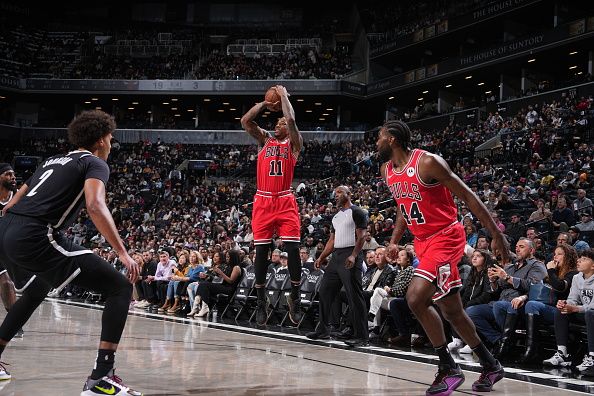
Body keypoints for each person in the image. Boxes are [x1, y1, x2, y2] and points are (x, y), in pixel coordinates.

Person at [0, 110, 141, 395]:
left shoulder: (50, 161)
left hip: (6, 231)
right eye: (111, 137)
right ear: (101, 140)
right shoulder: (95, 163)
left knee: (38, 288)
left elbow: (11, 204)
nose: (112, 143)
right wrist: (123, 253)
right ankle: (101, 378)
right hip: (36, 234)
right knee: (119, 287)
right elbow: (95, 205)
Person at [376, 120, 509, 395]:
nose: (375, 143)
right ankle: (490, 364)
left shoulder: (427, 162)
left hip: (446, 236)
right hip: (422, 242)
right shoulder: (387, 170)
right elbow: (404, 206)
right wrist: (393, 241)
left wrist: (495, 233)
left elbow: (468, 195)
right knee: (452, 311)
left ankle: (448, 367)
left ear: (392, 139)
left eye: (379, 137)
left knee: (415, 298)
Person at [241, 85, 303, 326]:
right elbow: (246, 121)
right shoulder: (265, 140)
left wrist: (285, 97)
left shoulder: (294, 143)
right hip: (263, 200)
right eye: (275, 123)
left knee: (293, 248)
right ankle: (260, 300)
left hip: (285, 199)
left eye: (281, 124)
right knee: (262, 253)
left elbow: (291, 119)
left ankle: (295, 297)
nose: (277, 125)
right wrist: (264, 104)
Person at [306, 186, 369, 347]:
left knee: (354, 295)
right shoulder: (335, 217)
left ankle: (361, 336)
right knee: (325, 291)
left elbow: (362, 236)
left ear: (349, 194)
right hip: (336, 257)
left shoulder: (357, 212)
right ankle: (323, 329)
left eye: (340, 192)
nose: (336, 195)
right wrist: (321, 257)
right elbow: (332, 241)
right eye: (335, 193)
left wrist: (354, 255)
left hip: (350, 253)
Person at [543, 249, 594, 375]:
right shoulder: (577, 278)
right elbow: (573, 298)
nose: (579, 261)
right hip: (585, 313)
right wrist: (566, 304)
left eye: (584, 259)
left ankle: (592, 357)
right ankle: (562, 353)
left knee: (590, 313)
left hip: (590, 313)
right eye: (579, 258)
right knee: (561, 311)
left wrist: (576, 308)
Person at [0, 164, 24, 338]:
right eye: (8, 174)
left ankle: (13, 323)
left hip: (9, 245)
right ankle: (14, 324)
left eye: (13, 174)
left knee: (7, 283)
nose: (13, 177)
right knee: (6, 282)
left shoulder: (18, 197)